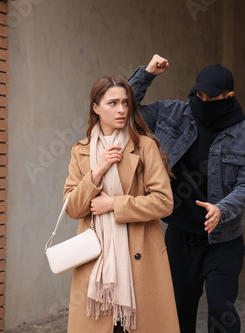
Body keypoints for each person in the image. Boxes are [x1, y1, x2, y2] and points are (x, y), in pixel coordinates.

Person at [128, 55, 245, 333]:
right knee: (177, 312)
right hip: (180, 237)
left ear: (228, 96)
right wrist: (147, 74)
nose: (202, 101)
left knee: (220, 309)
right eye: (198, 94)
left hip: (223, 240)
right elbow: (126, 110)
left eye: (210, 97)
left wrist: (222, 209)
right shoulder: (173, 113)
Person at [63, 76, 180, 333]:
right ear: (95, 107)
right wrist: (98, 171)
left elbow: (164, 203)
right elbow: (72, 208)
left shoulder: (144, 147)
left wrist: (115, 204)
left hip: (141, 257)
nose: (121, 110)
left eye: (125, 103)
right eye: (112, 103)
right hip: (97, 263)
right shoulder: (80, 151)